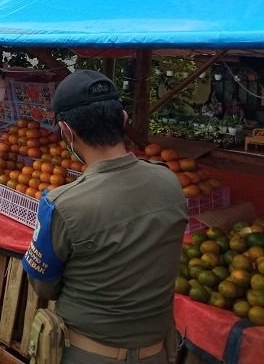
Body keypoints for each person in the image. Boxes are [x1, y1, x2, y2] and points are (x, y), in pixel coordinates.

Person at [22, 70, 187, 364]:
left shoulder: (63, 204)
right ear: (123, 120)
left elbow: (44, 285)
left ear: (67, 132)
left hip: (88, 353)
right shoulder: (170, 185)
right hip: (157, 353)